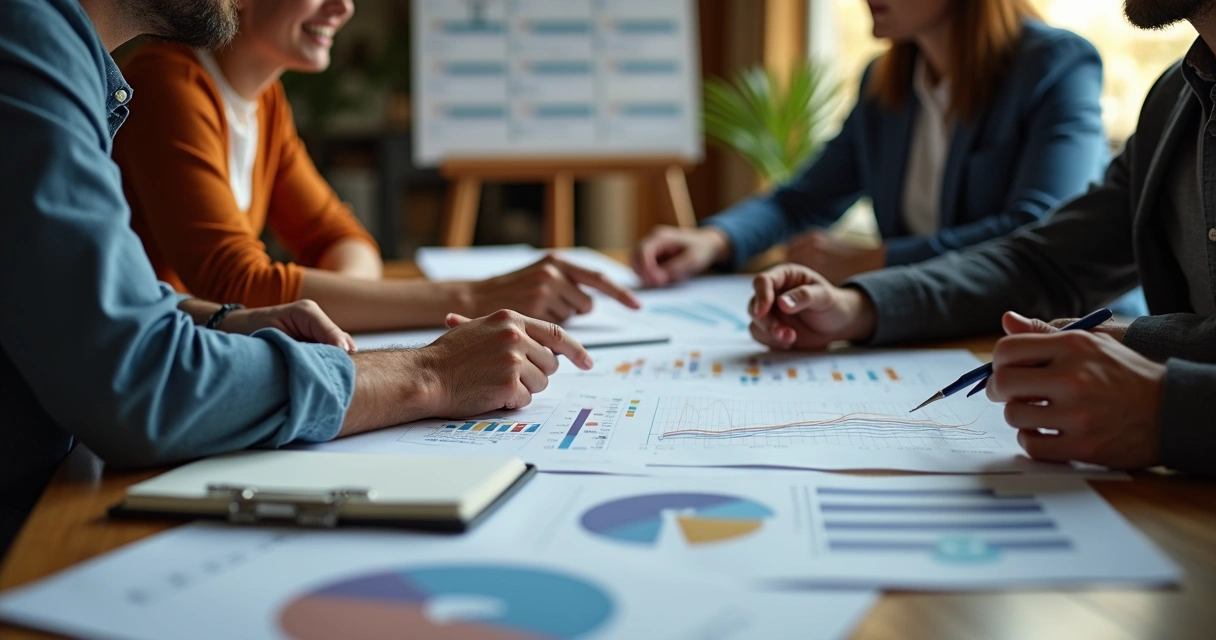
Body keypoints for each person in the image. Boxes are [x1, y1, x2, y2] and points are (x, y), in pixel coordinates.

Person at [0, 0, 591, 557]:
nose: (344, 7)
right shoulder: (65, 50)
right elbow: (162, 351)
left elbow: (340, 239)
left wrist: (224, 318)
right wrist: (432, 367)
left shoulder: (246, 97)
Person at [743, 0, 1216, 475]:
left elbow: (1030, 221)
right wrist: (859, 307)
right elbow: (1045, 262)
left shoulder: (1055, 63)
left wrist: (1171, 405)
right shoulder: (1173, 100)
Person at [112, 0, 639, 331]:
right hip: (149, 361)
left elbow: (343, 237)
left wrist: (337, 308)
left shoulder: (264, 102)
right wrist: (474, 296)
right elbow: (234, 283)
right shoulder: (166, 83)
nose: (343, 8)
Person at [633, 0, 1107, 288]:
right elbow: (803, 200)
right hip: (939, 331)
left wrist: (877, 261)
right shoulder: (884, 83)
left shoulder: (1056, 66)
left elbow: (1039, 230)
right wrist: (712, 240)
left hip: (1062, 332)